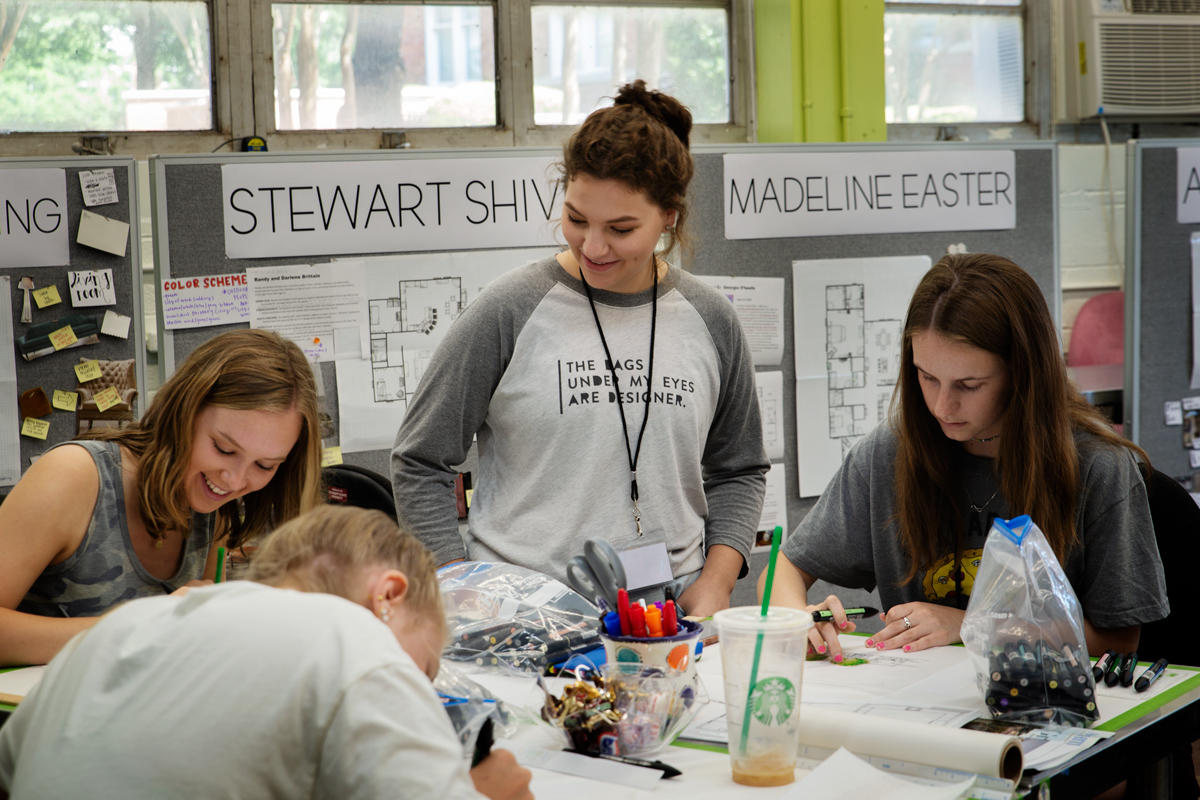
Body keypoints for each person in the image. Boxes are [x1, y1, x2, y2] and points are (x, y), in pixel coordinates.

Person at [391, 81, 769, 617]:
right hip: (522, 616)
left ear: (670, 216)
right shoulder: (510, 308)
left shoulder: (711, 319)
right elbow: (419, 459)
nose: (593, 246)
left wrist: (717, 582)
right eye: (576, 219)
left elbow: (740, 469)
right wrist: (457, 586)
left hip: (669, 616)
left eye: (620, 228)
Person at [764, 253, 1168, 660]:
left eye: (969, 385)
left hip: (1048, 706)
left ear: (1022, 374)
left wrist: (972, 626)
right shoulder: (888, 454)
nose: (942, 406)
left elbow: (1118, 642)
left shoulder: (1098, 468)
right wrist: (794, 618)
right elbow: (783, 569)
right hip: (922, 704)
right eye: (927, 377)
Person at [0, 505, 534, 800]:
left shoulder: (117, 631)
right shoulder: (354, 636)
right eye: (421, 670)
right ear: (390, 595)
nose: (415, 692)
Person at [0, 328, 325, 667]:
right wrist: (143, 625)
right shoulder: (74, 475)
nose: (235, 480)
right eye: (223, 448)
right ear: (184, 411)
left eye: (264, 465)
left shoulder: (215, 507)